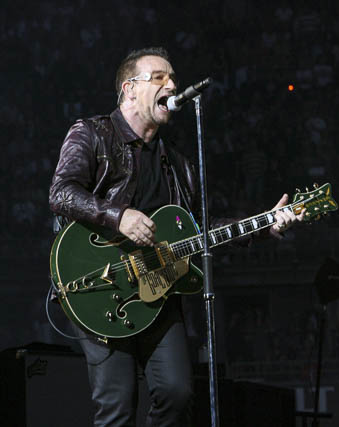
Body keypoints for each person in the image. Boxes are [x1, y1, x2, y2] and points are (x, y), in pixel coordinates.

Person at [49, 47, 302, 426]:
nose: (171, 85)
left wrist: (265, 225)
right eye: (159, 78)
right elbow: (61, 193)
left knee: (178, 394)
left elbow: (201, 229)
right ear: (129, 89)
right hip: (101, 286)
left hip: (158, 287)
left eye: (173, 79)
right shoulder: (92, 133)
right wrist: (118, 217)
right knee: (117, 405)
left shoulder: (179, 165)